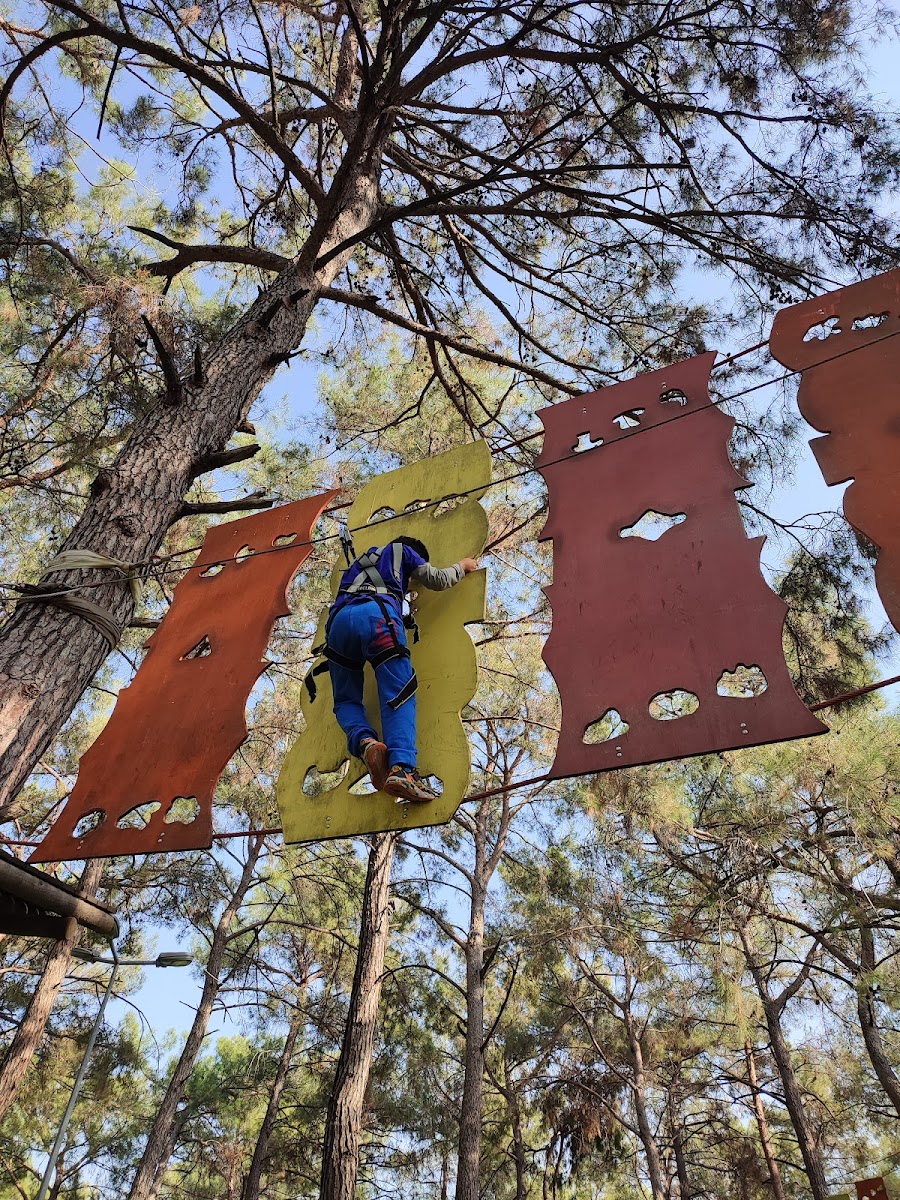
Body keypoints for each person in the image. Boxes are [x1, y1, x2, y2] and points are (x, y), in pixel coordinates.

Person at [324, 535, 479, 803]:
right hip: (378, 617)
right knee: (399, 691)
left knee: (346, 700)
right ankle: (402, 769)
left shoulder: (357, 563)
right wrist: (463, 566)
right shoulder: (403, 551)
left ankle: (366, 742)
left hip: (338, 625)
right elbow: (438, 579)